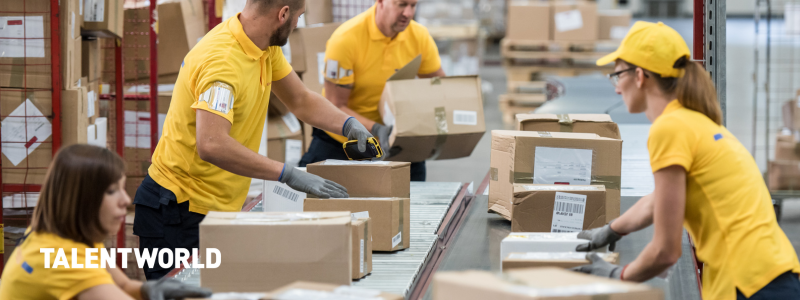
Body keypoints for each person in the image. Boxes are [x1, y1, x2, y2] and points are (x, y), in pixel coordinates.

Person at [134, 0, 375, 279]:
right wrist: (285, 174)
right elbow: (212, 143)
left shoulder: (263, 47)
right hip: (178, 210)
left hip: (214, 208)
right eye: (298, 17)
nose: (297, 24)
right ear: (283, 13)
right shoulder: (222, 62)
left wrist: (347, 124)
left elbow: (300, 100)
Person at [572, 21, 800, 300]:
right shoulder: (696, 122)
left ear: (640, 76)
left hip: (751, 287)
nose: (617, 89)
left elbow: (666, 251)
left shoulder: (669, 129)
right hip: (771, 276)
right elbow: (658, 199)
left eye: (617, 75)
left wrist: (615, 276)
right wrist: (610, 230)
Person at [0, 144, 211, 300]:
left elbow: (124, 285)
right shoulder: (63, 258)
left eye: (123, 187)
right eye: (111, 191)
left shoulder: (59, 236)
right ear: (81, 200)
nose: (126, 200)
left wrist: (150, 290)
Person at [298, 0, 446, 181]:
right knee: (308, 196)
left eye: (413, 5)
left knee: (413, 203)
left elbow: (439, 87)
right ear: (381, 2)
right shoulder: (346, 38)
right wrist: (376, 129)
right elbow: (335, 105)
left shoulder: (419, 36)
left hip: (395, 142)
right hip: (343, 142)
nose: (408, 13)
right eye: (401, 4)